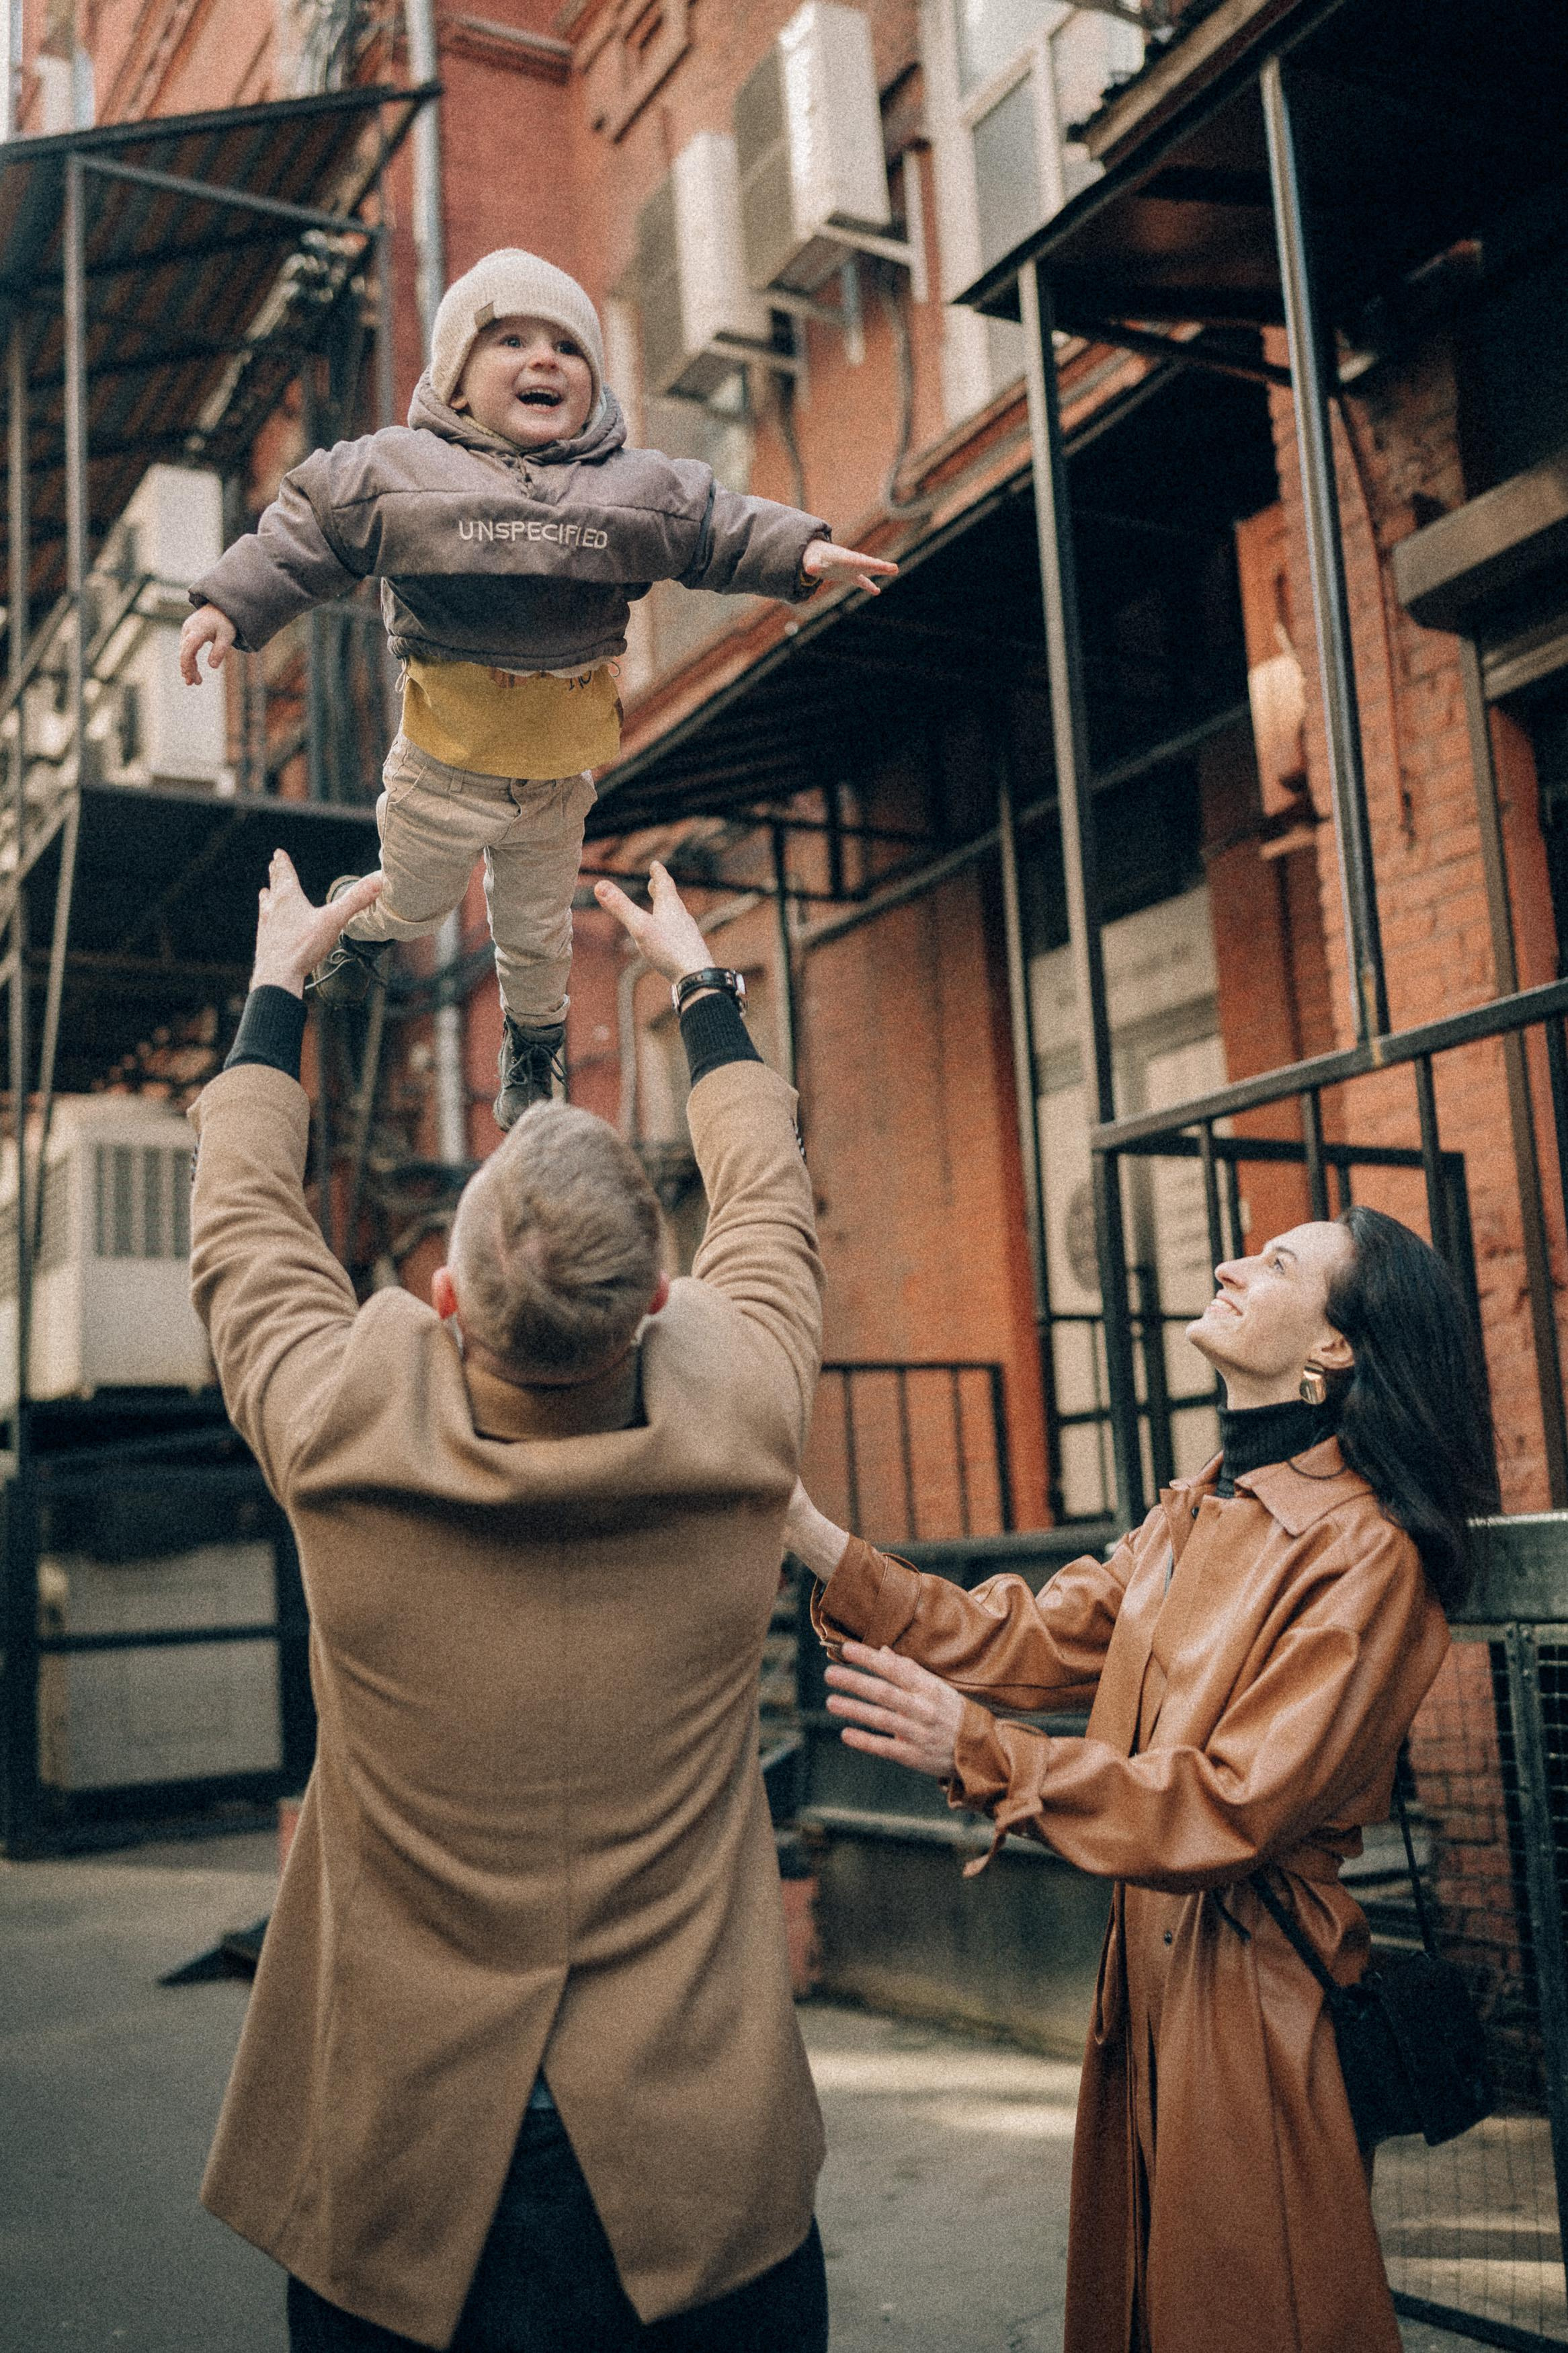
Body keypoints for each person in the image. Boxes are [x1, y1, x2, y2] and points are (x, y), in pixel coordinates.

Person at [189, 850, 828, 2352]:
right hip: (697, 2189)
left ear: (453, 1300)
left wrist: (280, 986)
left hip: (409, 2194)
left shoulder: (339, 1429)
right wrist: (705, 993)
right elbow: (772, 1211)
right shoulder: (745, 1415)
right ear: (658, 1301)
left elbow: (239, 1230)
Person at [784, 1208, 1498, 2353]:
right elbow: (1016, 1640)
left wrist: (979, 1751)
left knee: (1255, 2307)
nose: (1227, 1261)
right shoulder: (1197, 1505)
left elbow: (1233, 1803)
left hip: (1254, 1985)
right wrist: (816, 1539)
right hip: (1149, 1966)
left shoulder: (1365, 1550)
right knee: (1150, 2305)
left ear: (1333, 1352)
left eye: (1274, 1264)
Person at [178, 247, 895, 1128]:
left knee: (535, 933)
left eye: (567, 346)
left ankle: (532, 1049)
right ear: (454, 378)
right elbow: (306, 532)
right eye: (510, 340)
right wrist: (227, 603)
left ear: (592, 384)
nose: (544, 358)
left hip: (557, 778)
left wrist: (802, 552)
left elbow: (715, 525)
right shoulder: (399, 473)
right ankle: (339, 930)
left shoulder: (626, 488)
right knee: (413, 906)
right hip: (443, 766)